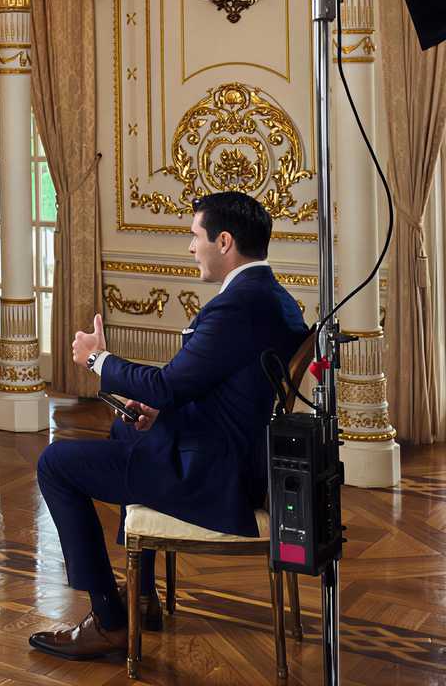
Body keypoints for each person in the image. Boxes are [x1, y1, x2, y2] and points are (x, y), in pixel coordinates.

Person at [29, 191, 310, 660]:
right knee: (130, 426)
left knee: (55, 463)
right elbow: (203, 387)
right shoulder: (272, 297)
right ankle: (140, 596)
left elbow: (166, 385)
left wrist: (98, 359)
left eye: (194, 236)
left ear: (224, 241)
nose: (189, 247)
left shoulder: (235, 307)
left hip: (216, 476)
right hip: (237, 455)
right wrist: (159, 410)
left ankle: (109, 620)